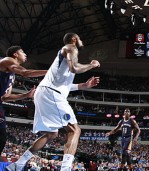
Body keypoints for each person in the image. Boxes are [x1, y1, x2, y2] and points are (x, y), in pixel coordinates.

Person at [6, 33, 100, 171]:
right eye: (79, 38)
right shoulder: (70, 47)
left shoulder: (63, 60)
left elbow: (64, 84)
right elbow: (75, 67)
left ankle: (18, 164)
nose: (81, 41)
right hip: (51, 94)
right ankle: (66, 168)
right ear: (74, 39)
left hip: (45, 92)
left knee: (51, 134)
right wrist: (91, 65)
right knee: (75, 130)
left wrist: (84, 85)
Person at [0, 46, 48, 159]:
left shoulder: (11, 74)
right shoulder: (8, 60)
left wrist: (25, 95)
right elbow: (25, 73)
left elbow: (5, 97)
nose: (25, 54)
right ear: (15, 54)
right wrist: (50, 72)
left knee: (2, 138)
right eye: (22, 52)